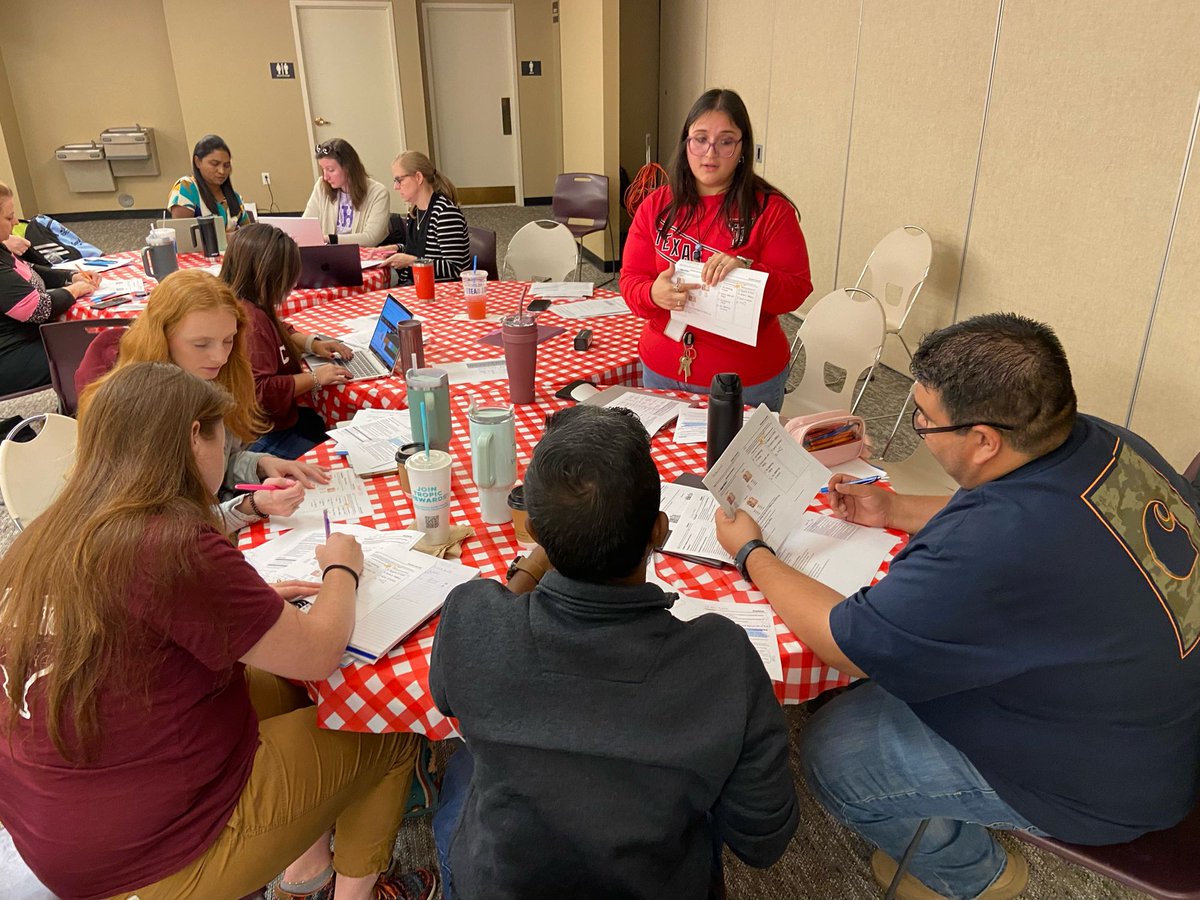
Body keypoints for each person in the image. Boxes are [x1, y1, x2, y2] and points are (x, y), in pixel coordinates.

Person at [714, 313, 1200, 900]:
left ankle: (975, 875)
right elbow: (1009, 506)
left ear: (984, 440)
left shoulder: (998, 544)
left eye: (924, 419)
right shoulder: (1100, 440)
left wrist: (752, 553)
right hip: (1156, 706)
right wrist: (891, 510)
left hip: (1112, 778)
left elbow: (848, 645)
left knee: (834, 749)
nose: (916, 424)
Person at [0, 362, 437, 900]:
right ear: (193, 437)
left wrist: (244, 615)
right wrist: (341, 569)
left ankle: (305, 873)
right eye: (221, 436)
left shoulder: (48, 530)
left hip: (58, 827)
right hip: (153, 854)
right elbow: (320, 653)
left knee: (282, 689)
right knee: (385, 729)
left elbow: (139, 623)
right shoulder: (171, 541)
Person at [429, 404, 797, 899]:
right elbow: (762, 840)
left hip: (505, 884)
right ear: (660, 532)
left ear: (534, 535)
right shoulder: (723, 657)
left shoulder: (473, 619)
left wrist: (536, 562)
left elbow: (447, 694)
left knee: (461, 771)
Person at [76, 268, 327, 531]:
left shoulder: (216, 376)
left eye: (228, 340)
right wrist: (249, 507)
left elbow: (216, 463)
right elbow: (163, 529)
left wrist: (259, 463)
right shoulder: (136, 408)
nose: (220, 357)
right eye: (201, 344)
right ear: (161, 337)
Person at [620, 89, 812, 413]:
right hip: (661, 370)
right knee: (663, 464)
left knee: (742, 465)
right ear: (686, 144)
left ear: (742, 148)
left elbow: (796, 290)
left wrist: (749, 274)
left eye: (725, 141)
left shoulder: (771, 210)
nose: (710, 153)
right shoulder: (656, 205)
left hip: (745, 383)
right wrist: (653, 293)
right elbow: (630, 280)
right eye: (700, 139)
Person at [224, 222, 353, 458]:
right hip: (263, 435)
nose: (293, 284)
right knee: (339, 458)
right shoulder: (252, 323)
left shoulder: (245, 304)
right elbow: (262, 391)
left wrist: (311, 343)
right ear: (268, 275)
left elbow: (279, 328)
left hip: (269, 424)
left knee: (320, 427)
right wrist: (315, 378)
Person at [0, 181, 97, 399]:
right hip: (9, 356)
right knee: (97, 353)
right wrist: (74, 290)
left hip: (23, 340)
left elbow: (28, 269)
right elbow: (38, 309)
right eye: (8, 218)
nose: (15, 222)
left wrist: (69, 276)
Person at [381, 151, 470, 284]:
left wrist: (412, 262)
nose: (395, 187)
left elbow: (456, 268)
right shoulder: (415, 211)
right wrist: (397, 248)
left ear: (418, 177)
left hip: (442, 291)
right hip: (417, 285)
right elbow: (421, 250)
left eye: (399, 180)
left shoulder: (445, 214)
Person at [304, 138, 391, 246]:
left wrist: (330, 239)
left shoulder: (378, 193)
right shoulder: (321, 186)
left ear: (348, 168)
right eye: (323, 169)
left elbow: (371, 237)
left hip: (361, 257)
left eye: (331, 170)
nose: (325, 177)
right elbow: (306, 226)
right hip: (327, 254)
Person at [169, 134, 252, 232]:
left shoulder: (235, 198)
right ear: (197, 162)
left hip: (234, 247)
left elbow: (249, 235)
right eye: (214, 164)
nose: (222, 171)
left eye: (226, 165)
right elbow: (184, 236)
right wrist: (231, 238)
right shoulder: (186, 188)